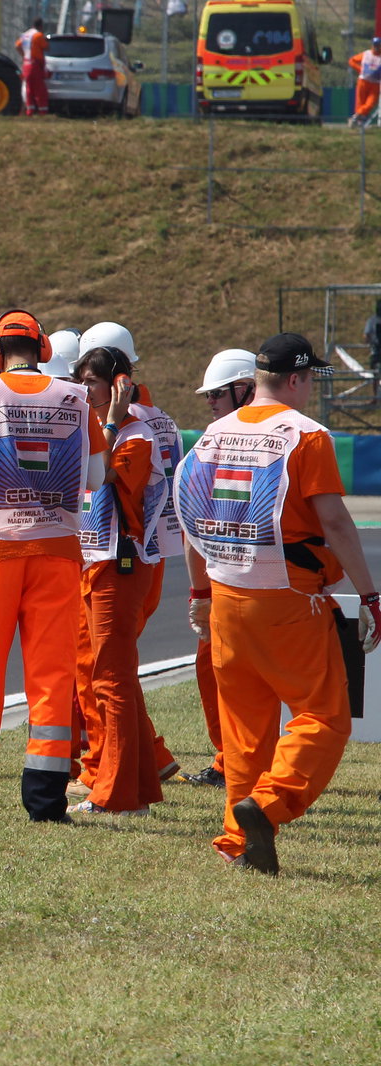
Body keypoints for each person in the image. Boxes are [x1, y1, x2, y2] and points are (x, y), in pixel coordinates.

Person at [175, 332, 381, 875]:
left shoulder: (211, 436)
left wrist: (200, 593)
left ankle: (238, 843)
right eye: (310, 379)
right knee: (326, 717)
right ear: (296, 379)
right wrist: (370, 592)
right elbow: (335, 521)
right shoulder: (306, 437)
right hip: (287, 601)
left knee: (245, 734)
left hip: (225, 596)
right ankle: (265, 807)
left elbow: (189, 525)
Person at [0, 310, 102, 822]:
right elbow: (96, 476)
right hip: (56, 552)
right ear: (44, 350)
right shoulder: (77, 399)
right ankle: (45, 803)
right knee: (53, 676)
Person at [66, 345, 169, 816]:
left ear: (119, 385)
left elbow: (100, 474)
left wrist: (111, 416)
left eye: (92, 381)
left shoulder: (136, 435)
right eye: (81, 380)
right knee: (109, 677)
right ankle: (139, 791)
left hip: (122, 569)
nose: (84, 389)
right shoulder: (94, 430)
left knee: (112, 679)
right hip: (94, 565)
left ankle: (117, 796)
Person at [177, 348, 258, 789]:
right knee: (214, 670)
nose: (209, 400)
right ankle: (232, 759)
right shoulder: (212, 440)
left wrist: (199, 593)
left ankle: (241, 762)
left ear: (245, 389)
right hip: (230, 577)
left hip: (252, 582)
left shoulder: (216, 443)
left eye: (217, 393)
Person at [16, 18, 50, 117]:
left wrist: (24, 55)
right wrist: (45, 39)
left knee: (29, 88)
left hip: (26, 64)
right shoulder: (38, 36)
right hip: (35, 64)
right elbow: (46, 48)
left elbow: (17, 46)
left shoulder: (25, 35)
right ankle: (42, 111)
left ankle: (29, 111)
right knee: (40, 89)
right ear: (41, 26)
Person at [348, 37, 381, 129]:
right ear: (372, 45)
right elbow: (352, 61)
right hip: (363, 81)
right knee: (360, 102)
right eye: (375, 45)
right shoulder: (366, 54)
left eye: (378, 45)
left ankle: (356, 116)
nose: (376, 47)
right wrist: (360, 69)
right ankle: (359, 123)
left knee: (370, 103)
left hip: (375, 83)